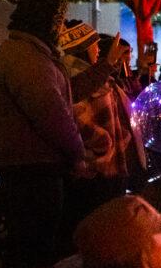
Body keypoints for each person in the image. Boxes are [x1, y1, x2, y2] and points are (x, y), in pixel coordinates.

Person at [0, 0, 86, 268]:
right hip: (32, 168)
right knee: (34, 250)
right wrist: (77, 152)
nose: (60, 28)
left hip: (32, 166)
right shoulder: (26, 58)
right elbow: (51, 114)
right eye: (57, 22)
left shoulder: (32, 54)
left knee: (32, 246)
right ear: (41, 20)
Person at [60, 21, 147, 240]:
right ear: (82, 46)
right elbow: (79, 122)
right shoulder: (77, 79)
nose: (98, 49)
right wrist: (104, 146)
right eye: (93, 44)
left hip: (111, 169)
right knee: (97, 232)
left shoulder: (97, 77)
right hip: (97, 172)